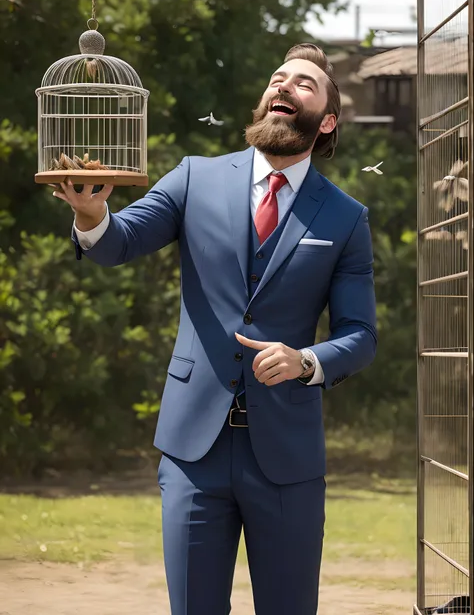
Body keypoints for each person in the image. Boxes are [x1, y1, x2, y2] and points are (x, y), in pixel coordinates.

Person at [53, 43, 377, 615]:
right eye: (277, 78)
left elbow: (360, 334)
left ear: (326, 120)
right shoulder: (193, 178)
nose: (283, 85)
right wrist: (90, 214)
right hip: (191, 451)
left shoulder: (346, 217)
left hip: (288, 457)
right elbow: (119, 241)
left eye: (304, 83)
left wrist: (307, 361)